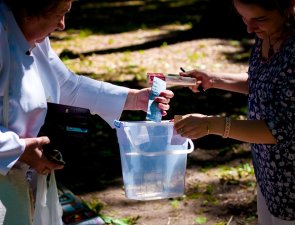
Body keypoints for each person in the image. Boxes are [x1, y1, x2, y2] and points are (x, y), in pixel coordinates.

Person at [0, 0, 174, 224]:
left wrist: (134, 99)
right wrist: (18, 149)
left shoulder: (35, 38)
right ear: (27, 12)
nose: (62, 25)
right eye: (59, 14)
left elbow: (68, 86)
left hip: (30, 179)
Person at [174, 0, 295, 224]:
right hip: (270, 175)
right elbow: (263, 83)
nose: (249, 28)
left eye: (259, 19)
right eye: (243, 17)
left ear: (289, 5)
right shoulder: (269, 31)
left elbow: (279, 129)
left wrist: (211, 124)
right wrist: (213, 79)